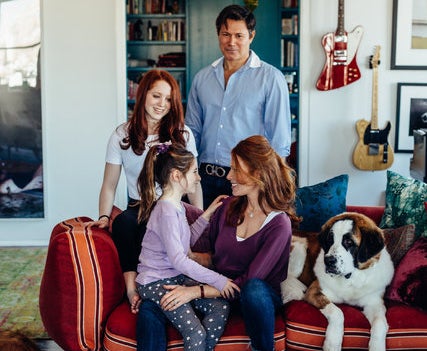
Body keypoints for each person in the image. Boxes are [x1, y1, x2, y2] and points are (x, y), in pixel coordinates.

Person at [137, 135, 299, 351]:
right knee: (150, 307)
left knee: (254, 290)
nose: (229, 175)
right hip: (218, 287)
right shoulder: (227, 206)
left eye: (236, 170)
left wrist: (196, 291)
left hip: (249, 298)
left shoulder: (279, 224)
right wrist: (189, 258)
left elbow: (249, 280)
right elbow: (207, 255)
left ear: (257, 174)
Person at [91, 69, 203, 314]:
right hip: (138, 208)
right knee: (122, 224)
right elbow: (109, 185)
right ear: (142, 96)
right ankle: (132, 289)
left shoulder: (182, 134)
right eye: (156, 96)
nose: (162, 104)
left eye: (168, 99)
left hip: (173, 208)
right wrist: (103, 216)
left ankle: (180, 285)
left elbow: (195, 181)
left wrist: (199, 215)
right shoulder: (122, 135)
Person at [135, 142, 239, 351]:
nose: (198, 177)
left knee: (220, 306)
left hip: (173, 276)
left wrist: (206, 215)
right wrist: (219, 280)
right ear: (176, 176)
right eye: (194, 172)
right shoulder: (166, 211)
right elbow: (179, 259)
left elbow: (184, 242)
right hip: (156, 281)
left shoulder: (177, 206)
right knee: (195, 332)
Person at [185, 4, 292, 208]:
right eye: (226, 34)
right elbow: (191, 133)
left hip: (247, 181)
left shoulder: (271, 79)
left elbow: (279, 140)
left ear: (251, 36)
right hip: (203, 181)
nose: (231, 42)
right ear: (218, 35)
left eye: (239, 35)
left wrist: (272, 189)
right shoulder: (202, 78)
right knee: (202, 238)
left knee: (240, 240)